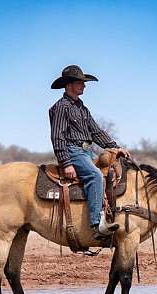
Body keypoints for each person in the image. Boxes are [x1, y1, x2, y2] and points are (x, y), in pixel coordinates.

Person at [49, 65, 131, 239]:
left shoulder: (82, 108)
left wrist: (115, 147)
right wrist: (66, 163)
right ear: (69, 84)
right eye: (80, 83)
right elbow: (57, 137)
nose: (84, 86)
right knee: (95, 176)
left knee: (110, 170)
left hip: (87, 152)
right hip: (73, 151)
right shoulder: (61, 107)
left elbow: (95, 132)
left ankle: (110, 213)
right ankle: (96, 224)